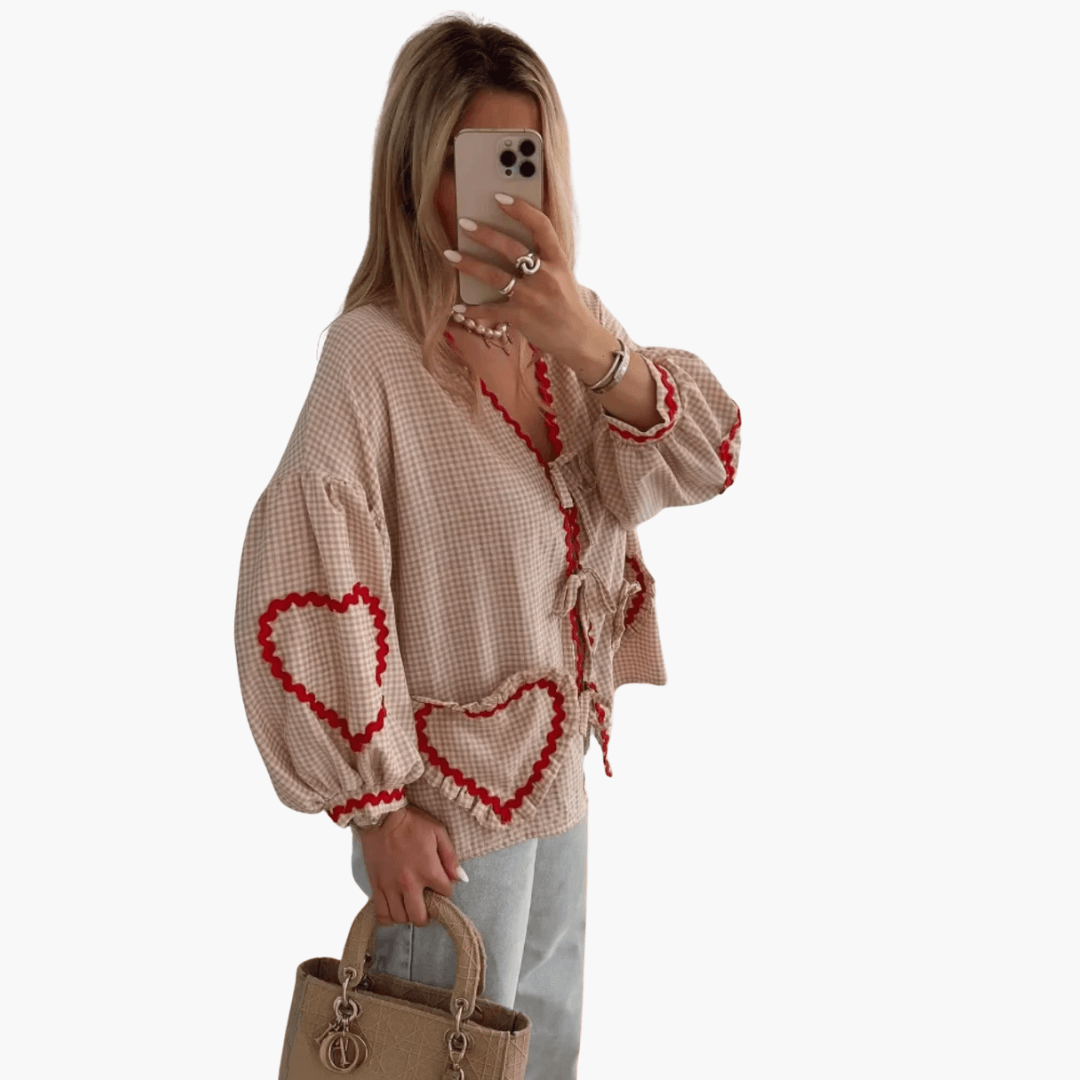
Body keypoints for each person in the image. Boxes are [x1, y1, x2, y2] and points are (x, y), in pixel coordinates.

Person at [233, 14, 741, 1080]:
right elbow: (306, 567)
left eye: (526, 161)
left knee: (544, 1059)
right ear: (415, 175)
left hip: (558, 793)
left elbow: (701, 458)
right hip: (445, 823)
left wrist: (592, 345)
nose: (506, 197)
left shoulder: (568, 341)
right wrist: (376, 810)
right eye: (474, 164)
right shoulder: (371, 357)